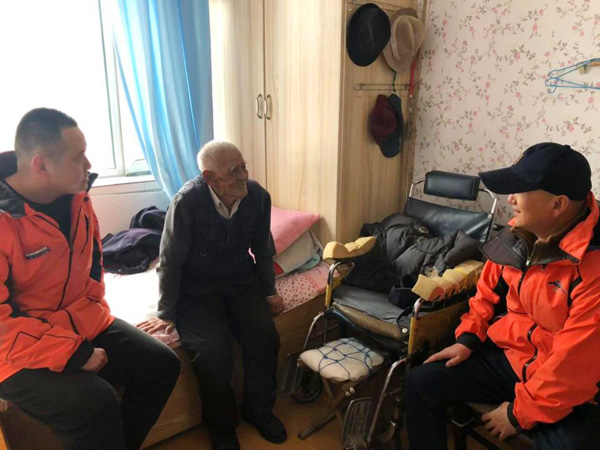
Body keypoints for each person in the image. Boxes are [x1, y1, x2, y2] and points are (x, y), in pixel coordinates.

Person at [0, 108, 180, 450]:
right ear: (41, 165)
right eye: (78, 157)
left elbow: (94, 268)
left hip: (78, 321)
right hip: (13, 351)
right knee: (95, 404)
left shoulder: (78, 200)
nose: (88, 164)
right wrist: (74, 353)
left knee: (161, 365)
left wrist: (92, 315)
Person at [404, 142, 600, 449]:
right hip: (512, 356)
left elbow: (574, 363)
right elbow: (485, 295)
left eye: (520, 190)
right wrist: (468, 339)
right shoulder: (516, 235)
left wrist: (517, 413)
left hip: (571, 385)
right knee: (421, 382)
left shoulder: (593, 266)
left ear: (558, 205)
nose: (510, 199)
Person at [138, 140, 287, 450]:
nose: (243, 176)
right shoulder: (187, 202)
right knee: (212, 354)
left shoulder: (258, 197)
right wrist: (166, 312)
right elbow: (170, 260)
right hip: (196, 292)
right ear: (209, 177)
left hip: (240, 283)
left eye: (244, 167)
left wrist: (270, 290)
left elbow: (263, 248)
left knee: (265, 338)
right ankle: (222, 428)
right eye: (233, 171)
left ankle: (258, 410)